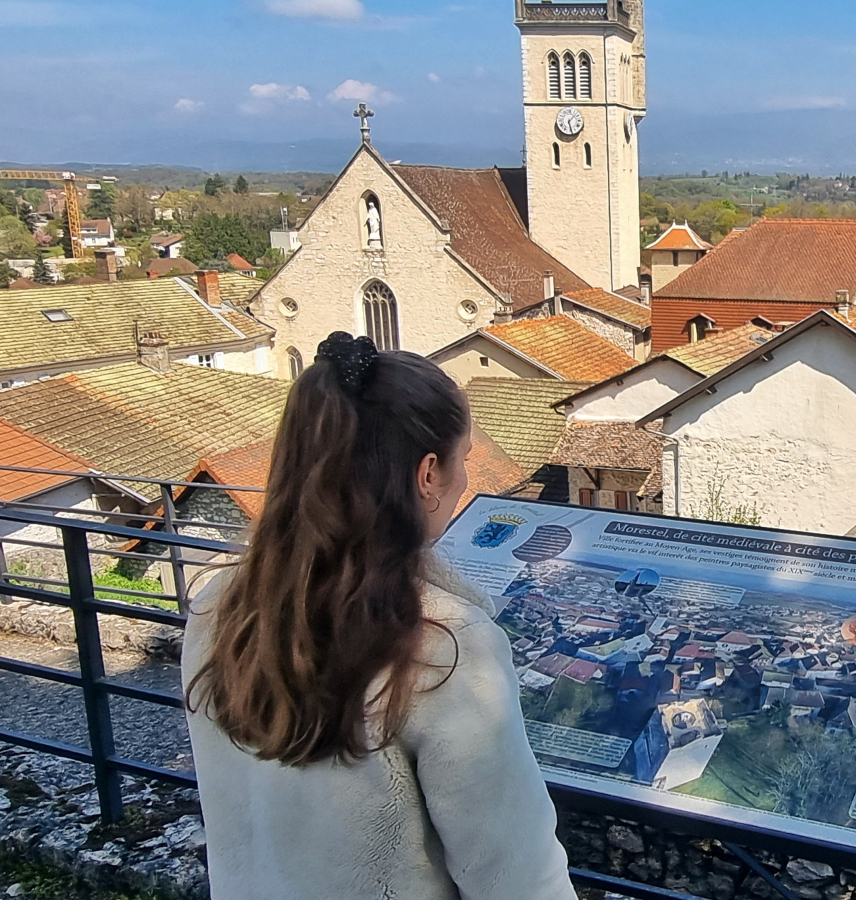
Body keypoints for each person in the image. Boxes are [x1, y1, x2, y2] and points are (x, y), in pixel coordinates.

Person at [182, 332, 576, 900]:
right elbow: (516, 874)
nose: (464, 481)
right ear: (427, 474)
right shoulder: (444, 646)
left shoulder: (221, 606)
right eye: (462, 460)